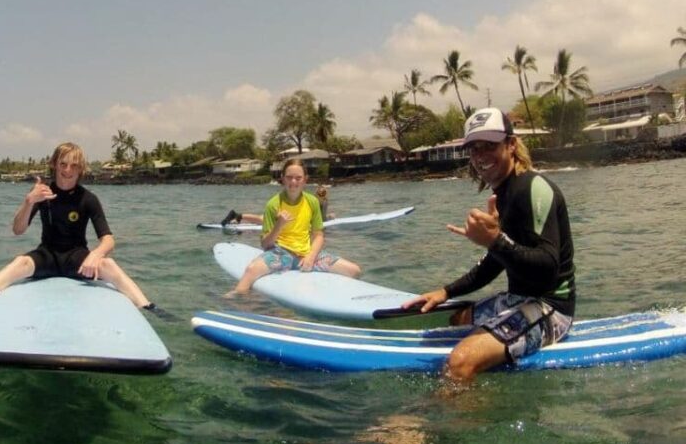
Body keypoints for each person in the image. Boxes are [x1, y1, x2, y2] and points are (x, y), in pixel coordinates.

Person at [402, 108, 575, 383]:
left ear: (511, 145)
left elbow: (548, 269)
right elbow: (496, 262)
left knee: (459, 364)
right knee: (458, 318)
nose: (481, 156)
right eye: (474, 149)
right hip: (516, 300)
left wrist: (495, 240)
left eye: (490, 146)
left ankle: (460, 425)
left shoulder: (533, 188)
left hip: (550, 309)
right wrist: (445, 292)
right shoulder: (503, 192)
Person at [0, 142, 162, 313]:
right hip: (47, 255)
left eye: (74, 166)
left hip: (77, 258)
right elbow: (18, 230)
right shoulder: (42, 193)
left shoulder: (88, 199)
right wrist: (29, 201)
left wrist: (96, 255)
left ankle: (149, 308)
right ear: (54, 164)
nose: (67, 170)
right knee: (20, 262)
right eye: (63, 164)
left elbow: (108, 239)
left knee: (109, 264)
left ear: (81, 169)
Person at [225, 158, 361, 296]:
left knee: (354, 270)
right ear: (283, 179)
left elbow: (318, 235)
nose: (293, 182)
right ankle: (235, 300)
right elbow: (266, 244)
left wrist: (311, 257)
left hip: (308, 255)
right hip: (282, 255)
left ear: (305, 179)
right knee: (251, 270)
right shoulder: (273, 204)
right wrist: (279, 224)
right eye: (289, 177)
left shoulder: (312, 201)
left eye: (298, 178)